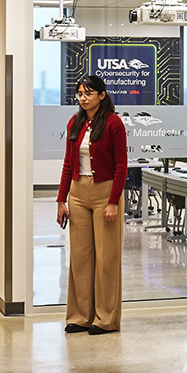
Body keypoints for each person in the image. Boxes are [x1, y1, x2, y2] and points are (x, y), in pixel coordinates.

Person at [58, 71, 128, 333]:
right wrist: (60, 200)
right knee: (80, 257)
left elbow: (122, 166)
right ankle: (79, 316)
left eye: (88, 93)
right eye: (80, 93)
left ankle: (105, 318)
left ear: (102, 95)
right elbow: (68, 163)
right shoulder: (74, 123)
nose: (83, 98)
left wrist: (113, 202)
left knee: (107, 258)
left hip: (105, 192)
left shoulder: (113, 124)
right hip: (78, 193)